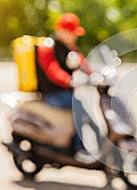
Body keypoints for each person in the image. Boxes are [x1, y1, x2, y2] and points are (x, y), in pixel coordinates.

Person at [36, 13, 101, 163]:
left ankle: (100, 149)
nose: (75, 37)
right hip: (52, 95)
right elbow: (52, 70)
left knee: (89, 115)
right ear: (62, 31)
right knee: (78, 107)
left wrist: (97, 75)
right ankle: (80, 150)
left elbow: (82, 63)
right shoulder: (47, 48)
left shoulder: (70, 48)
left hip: (66, 94)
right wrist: (68, 80)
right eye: (73, 33)